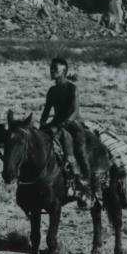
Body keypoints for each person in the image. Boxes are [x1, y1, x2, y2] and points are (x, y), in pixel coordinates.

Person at [39, 57, 91, 193]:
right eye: (51, 68)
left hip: (73, 124)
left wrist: (61, 125)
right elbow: (46, 111)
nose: (51, 71)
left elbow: (74, 111)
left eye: (55, 69)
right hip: (56, 122)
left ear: (64, 71)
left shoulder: (72, 88)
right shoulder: (52, 91)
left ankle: (86, 177)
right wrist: (42, 124)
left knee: (80, 149)